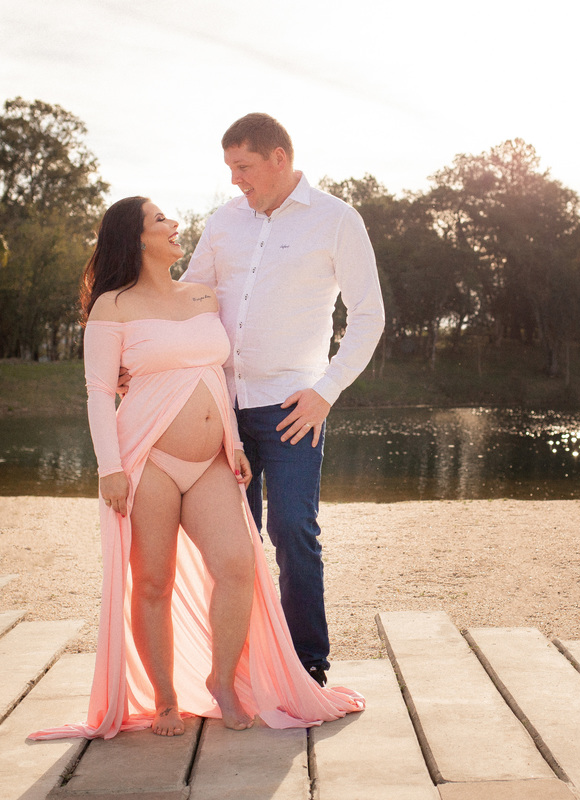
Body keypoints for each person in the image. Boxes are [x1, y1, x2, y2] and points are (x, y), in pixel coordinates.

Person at [30, 196, 363, 741]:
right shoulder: (112, 307)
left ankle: (223, 680)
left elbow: (218, 373)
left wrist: (231, 441)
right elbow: (96, 394)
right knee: (153, 581)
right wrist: (108, 469)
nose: (174, 224)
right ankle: (163, 699)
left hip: (210, 461)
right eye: (160, 220)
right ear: (136, 238)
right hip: (146, 459)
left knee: (237, 565)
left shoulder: (202, 295)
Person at [180, 113, 384, 686]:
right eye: (229, 169)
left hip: (294, 407)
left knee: (292, 529)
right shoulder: (223, 222)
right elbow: (191, 298)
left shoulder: (337, 220)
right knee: (231, 541)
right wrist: (134, 350)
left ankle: (306, 665)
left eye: (242, 167)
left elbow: (368, 316)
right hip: (221, 406)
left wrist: (326, 390)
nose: (234, 181)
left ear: (279, 158)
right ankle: (238, 663)